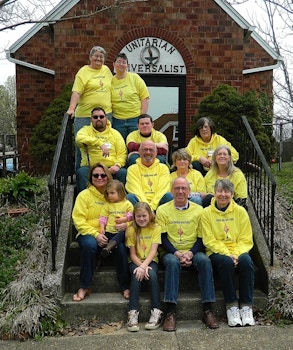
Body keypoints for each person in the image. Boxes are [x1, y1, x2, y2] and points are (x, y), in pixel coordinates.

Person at [156, 177, 219, 331]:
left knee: (204, 261)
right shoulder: (163, 210)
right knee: (172, 262)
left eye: (184, 188)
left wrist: (190, 253)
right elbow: (162, 238)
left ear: (189, 192)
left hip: (193, 251)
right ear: (171, 191)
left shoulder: (199, 210)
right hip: (171, 252)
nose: (180, 191)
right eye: (177, 188)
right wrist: (177, 253)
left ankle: (208, 310)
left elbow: (201, 237)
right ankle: (170, 312)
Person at [71, 163, 130, 301]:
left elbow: (127, 213)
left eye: (103, 175)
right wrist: (96, 234)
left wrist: (126, 224)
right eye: (95, 175)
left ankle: (125, 286)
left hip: (111, 232)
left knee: (120, 248)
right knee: (89, 245)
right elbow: (78, 220)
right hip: (89, 233)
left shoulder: (113, 194)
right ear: (91, 177)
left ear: (108, 176)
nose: (99, 177)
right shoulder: (84, 195)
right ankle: (85, 286)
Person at [201, 179, 255, 327]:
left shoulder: (240, 212)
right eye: (220, 191)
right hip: (216, 252)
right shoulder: (206, 213)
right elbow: (209, 239)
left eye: (226, 191)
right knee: (225, 262)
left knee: (247, 262)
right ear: (214, 193)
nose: (223, 194)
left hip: (238, 251)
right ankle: (231, 305)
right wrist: (227, 253)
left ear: (232, 194)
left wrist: (236, 254)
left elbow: (246, 238)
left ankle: (246, 306)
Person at [66, 46, 113, 171]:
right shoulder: (83, 72)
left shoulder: (107, 70)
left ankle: (104, 174)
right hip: (85, 116)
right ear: (90, 57)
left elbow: (112, 88)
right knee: (82, 146)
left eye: (101, 57)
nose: (99, 58)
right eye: (96, 56)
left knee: (107, 143)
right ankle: (81, 172)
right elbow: (76, 91)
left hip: (105, 114)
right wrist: (71, 108)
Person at [126, 202, 163, 332]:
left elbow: (153, 251)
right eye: (138, 216)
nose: (141, 219)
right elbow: (132, 254)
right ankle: (133, 312)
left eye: (144, 216)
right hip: (135, 261)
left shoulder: (156, 227)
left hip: (151, 260)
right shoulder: (131, 230)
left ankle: (157, 312)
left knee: (152, 275)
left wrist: (144, 266)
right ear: (134, 217)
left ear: (150, 215)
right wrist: (141, 267)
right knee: (137, 275)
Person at [75, 107, 127, 193]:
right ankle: (84, 200)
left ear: (106, 118)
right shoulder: (85, 130)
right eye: (95, 117)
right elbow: (79, 139)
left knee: (123, 172)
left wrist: (117, 165)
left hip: (110, 168)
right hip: (90, 167)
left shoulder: (115, 133)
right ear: (91, 119)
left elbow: (122, 153)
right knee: (81, 172)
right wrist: (99, 143)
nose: (98, 119)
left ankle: (119, 201)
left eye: (101, 117)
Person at [111, 52, 150, 140]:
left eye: (124, 62)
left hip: (135, 120)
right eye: (119, 61)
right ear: (114, 64)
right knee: (120, 146)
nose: (121, 64)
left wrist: (142, 117)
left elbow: (145, 97)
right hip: (117, 120)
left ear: (127, 66)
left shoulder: (135, 78)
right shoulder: (110, 81)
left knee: (136, 146)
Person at [125, 140, 172, 212]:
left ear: (156, 153)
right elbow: (135, 190)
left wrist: (152, 207)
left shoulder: (163, 168)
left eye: (151, 150)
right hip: (140, 206)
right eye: (145, 149)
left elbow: (163, 190)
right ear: (139, 152)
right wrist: (147, 209)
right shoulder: (132, 169)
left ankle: (164, 220)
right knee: (130, 197)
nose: (148, 152)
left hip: (159, 205)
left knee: (169, 196)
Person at [99, 180, 133, 259]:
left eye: (112, 193)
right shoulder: (107, 205)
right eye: (108, 193)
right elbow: (103, 217)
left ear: (120, 192)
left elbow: (131, 216)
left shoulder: (127, 204)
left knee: (121, 235)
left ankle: (109, 247)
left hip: (122, 231)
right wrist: (101, 227)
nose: (109, 195)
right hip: (109, 230)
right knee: (102, 240)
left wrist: (123, 219)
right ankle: (101, 256)